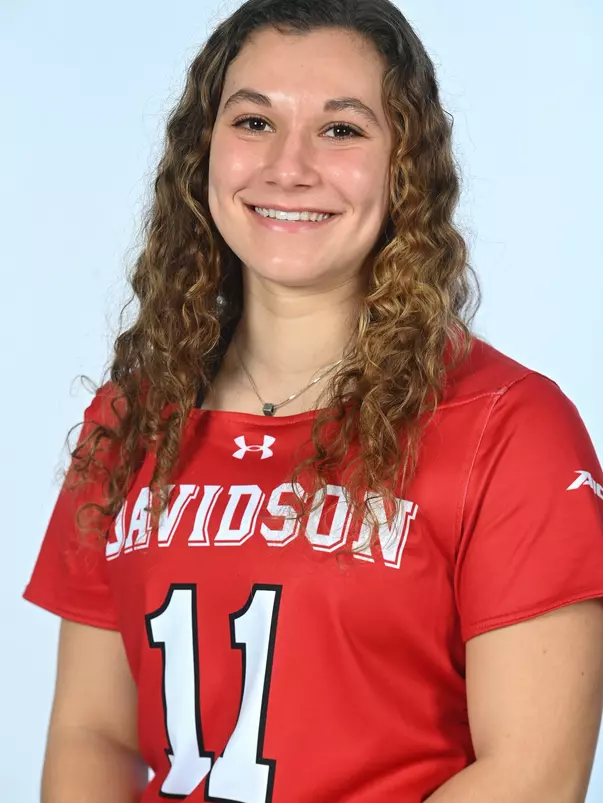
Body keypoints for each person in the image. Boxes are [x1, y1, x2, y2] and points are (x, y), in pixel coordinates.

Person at [22, 1, 603, 801]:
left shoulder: (508, 426)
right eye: (253, 121)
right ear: (203, 151)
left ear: (406, 165)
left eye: (341, 130)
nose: (287, 167)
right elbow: (92, 731)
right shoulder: (131, 420)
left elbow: (531, 776)